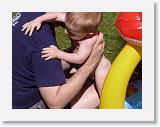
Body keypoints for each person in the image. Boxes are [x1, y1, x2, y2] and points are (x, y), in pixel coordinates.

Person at [12, 12, 105, 109]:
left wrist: (38, 19)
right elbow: (55, 104)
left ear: (89, 34)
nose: (65, 32)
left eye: (72, 32)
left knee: (103, 91)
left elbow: (79, 58)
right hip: (27, 105)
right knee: (93, 90)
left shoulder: (31, 13)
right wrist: (90, 64)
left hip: (15, 92)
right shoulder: (43, 43)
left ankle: (108, 102)